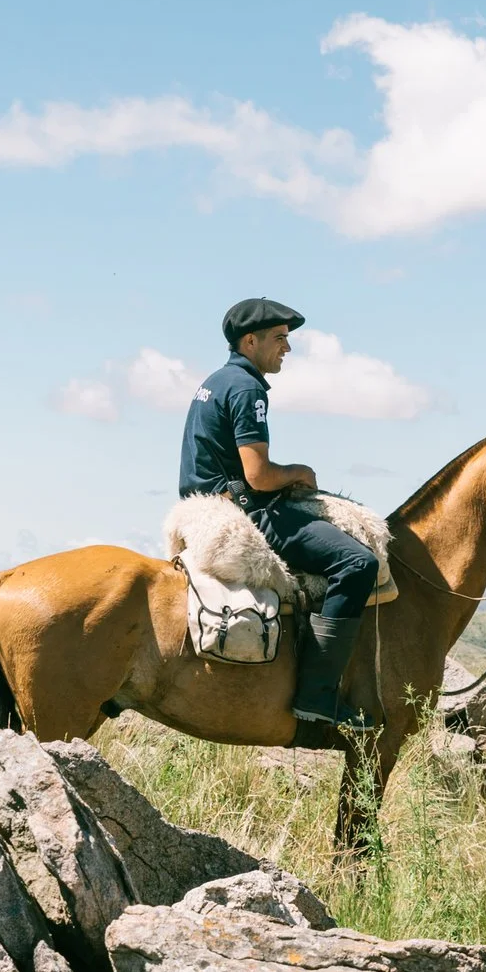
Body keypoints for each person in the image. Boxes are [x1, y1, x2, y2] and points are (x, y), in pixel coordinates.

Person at [179, 297, 382, 741]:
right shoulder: (247, 389)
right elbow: (258, 475)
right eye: (279, 339)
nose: (286, 349)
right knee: (359, 562)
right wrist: (300, 473)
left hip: (208, 500)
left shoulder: (216, 380)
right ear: (249, 341)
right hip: (244, 509)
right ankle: (318, 693)